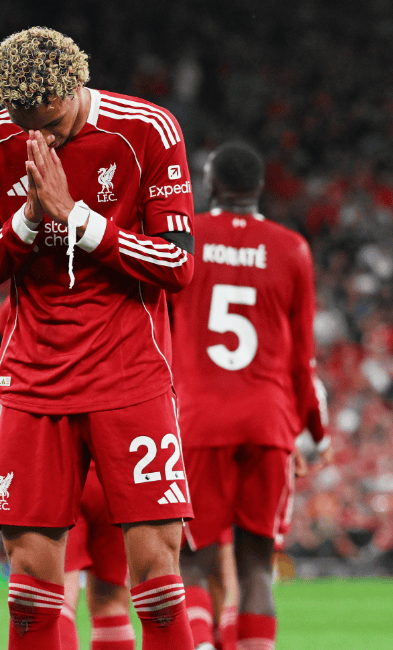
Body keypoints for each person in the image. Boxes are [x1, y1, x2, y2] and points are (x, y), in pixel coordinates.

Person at [0, 26, 196, 650]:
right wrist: (28, 221)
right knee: (30, 593)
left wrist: (79, 220)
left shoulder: (146, 130)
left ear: (75, 88)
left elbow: (178, 265)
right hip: (36, 383)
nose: (40, 138)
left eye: (52, 122)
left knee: (158, 581)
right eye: (23, 124)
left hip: (130, 377)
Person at [169, 141, 332, 650]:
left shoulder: (186, 237)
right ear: (259, 188)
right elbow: (302, 358)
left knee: (190, 560)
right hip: (268, 422)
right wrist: (314, 432)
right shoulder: (292, 248)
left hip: (199, 421)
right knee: (257, 565)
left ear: (210, 185)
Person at [0, 299, 136, 650]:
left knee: (57, 603)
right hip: (116, 465)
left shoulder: (31, 292)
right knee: (112, 600)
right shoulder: (122, 291)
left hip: (60, 465)